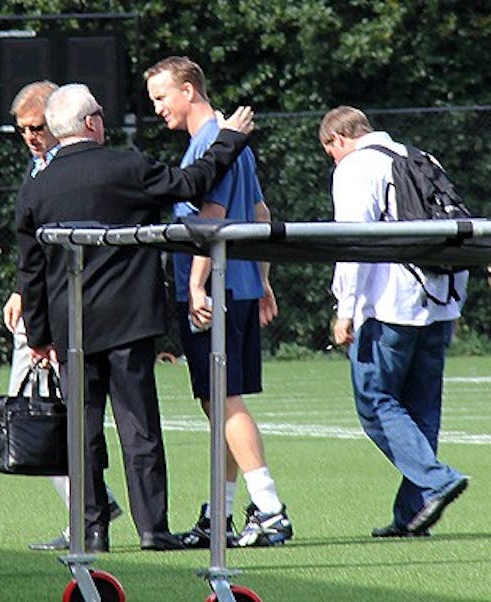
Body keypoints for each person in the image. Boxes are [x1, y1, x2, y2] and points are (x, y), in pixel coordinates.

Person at [15, 83, 255, 552]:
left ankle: (92, 529)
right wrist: (229, 138)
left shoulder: (37, 186)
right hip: (129, 320)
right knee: (139, 427)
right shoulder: (125, 166)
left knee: (81, 431)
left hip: (71, 327)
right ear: (91, 122)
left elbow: (31, 271)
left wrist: (40, 337)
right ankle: (152, 529)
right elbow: (191, 184)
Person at [143, 56, 292, 548]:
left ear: (188, 91)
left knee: (223, 399)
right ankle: (221, 513)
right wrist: (264, 281)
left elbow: (214, 215)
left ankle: (270, 509)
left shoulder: (211, 140)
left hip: (219, 287)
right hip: (240, 284)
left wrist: (196, 286)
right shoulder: (222, 140)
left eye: (162, 97)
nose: (158, 108)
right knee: (218, 401)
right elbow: (260, 211)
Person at [318, 106, 470, 539]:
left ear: (338, 140)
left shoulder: (354, 167)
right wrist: (454, 303)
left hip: (388, 305)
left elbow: (353, 243)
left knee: (375, 402)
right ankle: (413, 513)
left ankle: (436, 479)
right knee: (422, 408)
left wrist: (345, 309)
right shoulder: (423, 158)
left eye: (330, 151)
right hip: (439, 299)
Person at [1, 81, 124, 553]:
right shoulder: (40, 167)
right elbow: (34, 244)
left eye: (37, 127)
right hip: (44, 306)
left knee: (47, 416)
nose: (31, 136)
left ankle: (88, 511)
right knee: (36, 413)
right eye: (23, 130)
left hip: (67, 311)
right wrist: (20, 289)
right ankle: (92, 503)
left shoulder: (67, 167)